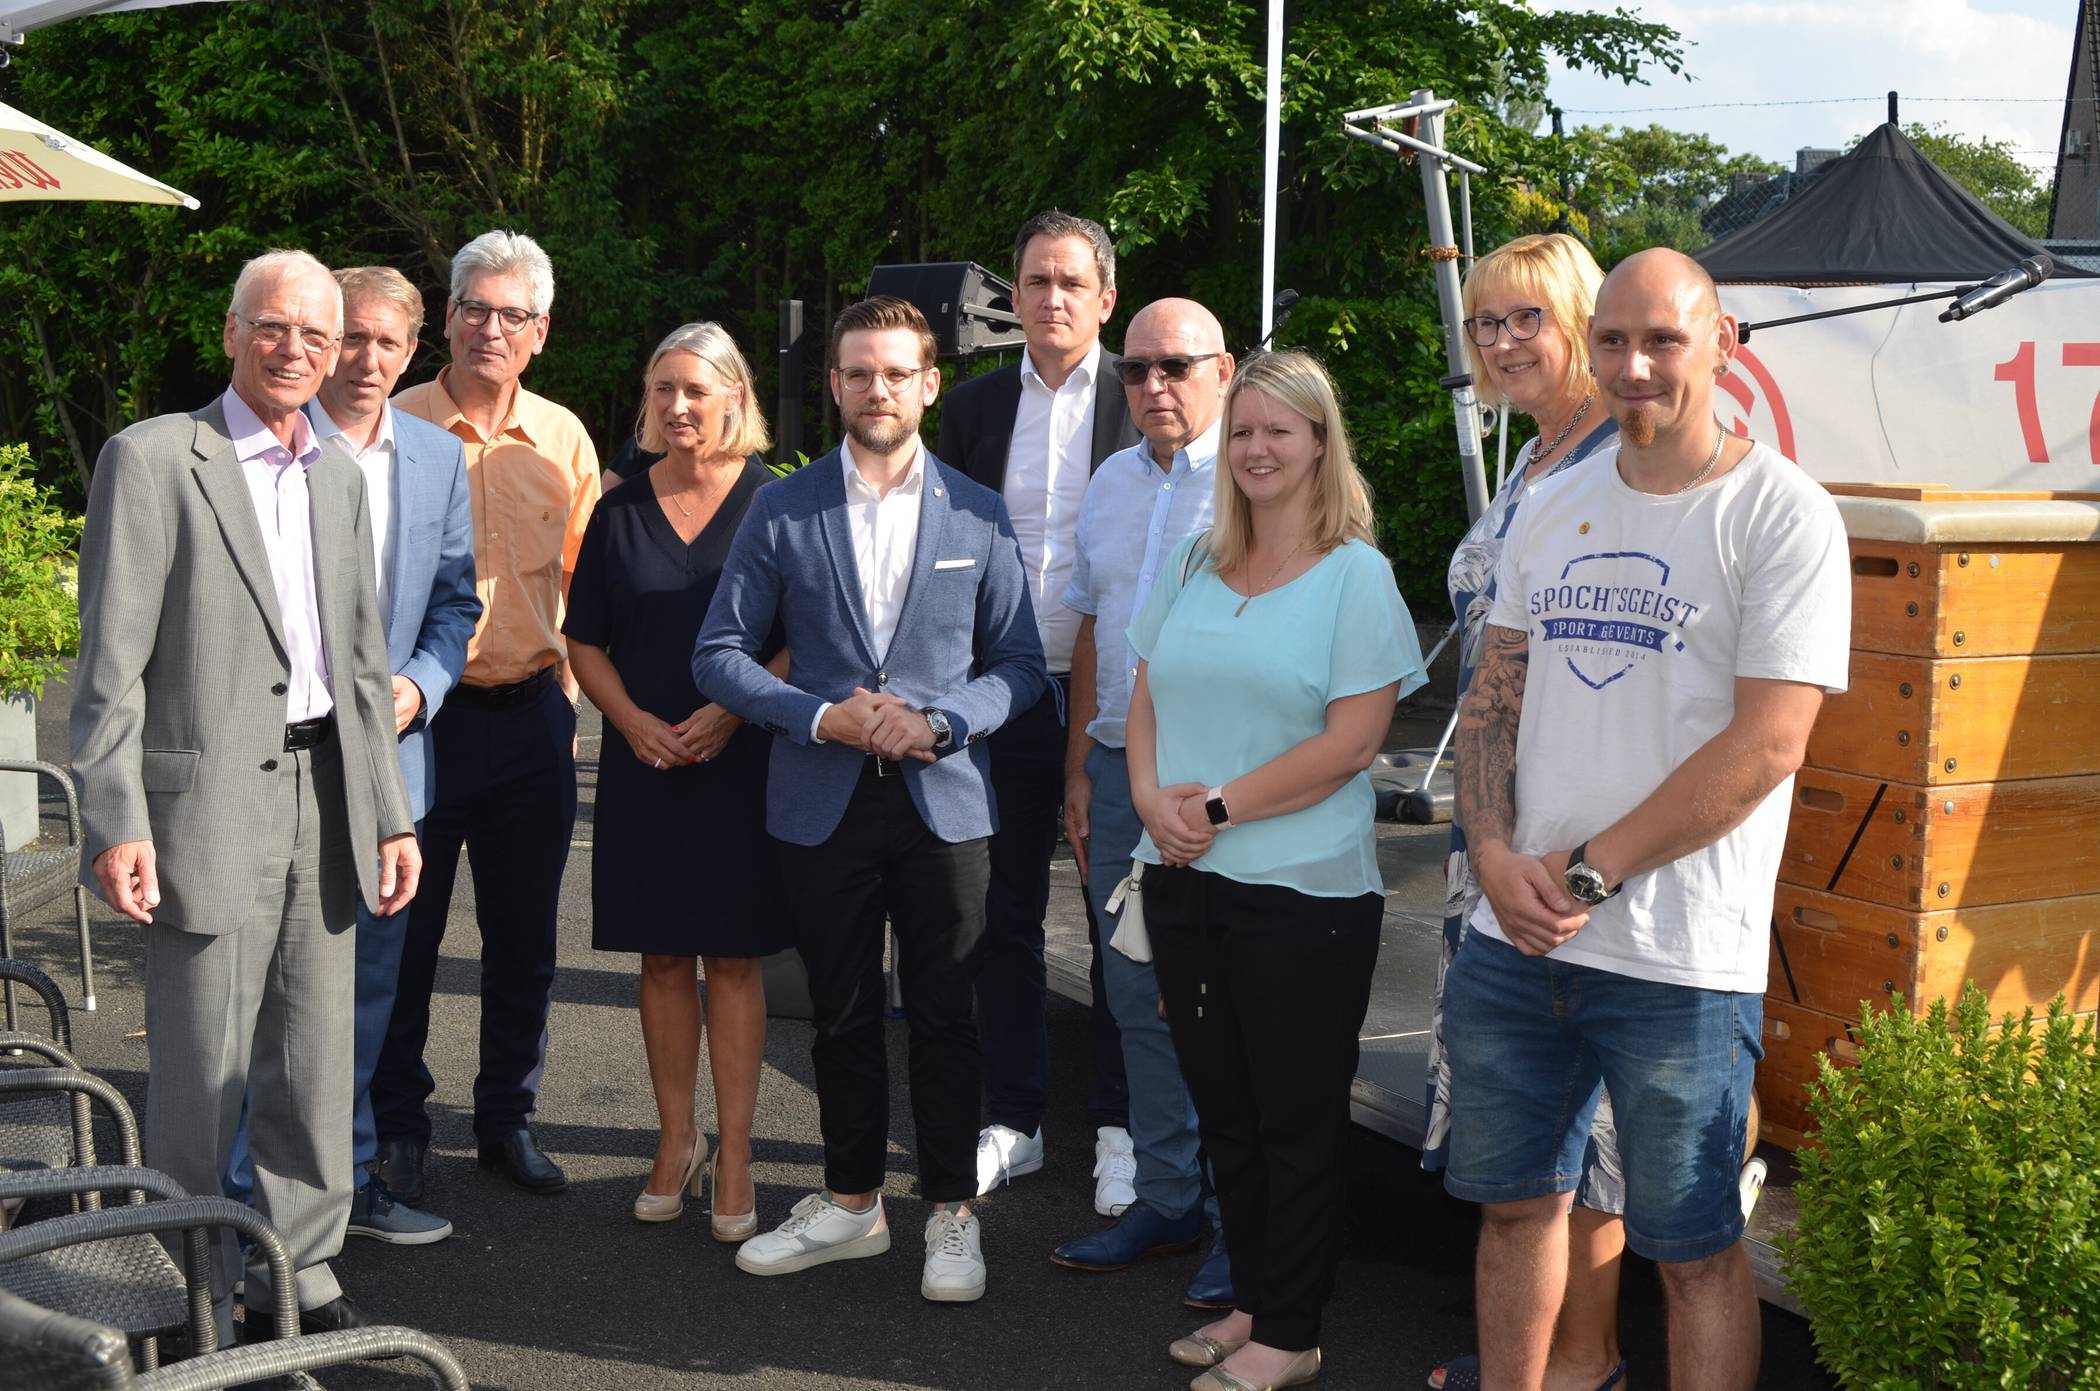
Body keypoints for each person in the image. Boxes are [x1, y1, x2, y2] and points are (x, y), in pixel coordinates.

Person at [1440, 248, 1850, 1391]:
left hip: (1679, 959)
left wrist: (1585, 874)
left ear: (1722, 344)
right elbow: (1492, 701)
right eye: (1613, 338)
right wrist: (1487, 852)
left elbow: (1770, 742)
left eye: (1662, 339)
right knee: (1516, 1213)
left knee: (1696, 1254)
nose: (1632, 365)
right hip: (1513, 939)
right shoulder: (1550, 502)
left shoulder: (1782, 514)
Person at [69, 249, 421, 1338]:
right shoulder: (156, 458)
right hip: (202, 805)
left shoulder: (340, 476)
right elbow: (109, 669)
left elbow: (364, 668)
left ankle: (299, 1265)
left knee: (315, 1058)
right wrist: (115, 819)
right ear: (231, 332)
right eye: (275, 328)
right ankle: (190, 1277)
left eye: (318, 337)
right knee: (202, 1067)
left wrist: (390, 813)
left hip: (326, 791)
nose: (297, 351)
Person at [694, 295, 1045, 1304]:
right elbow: (716, 654)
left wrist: (941, 721)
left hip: (946, 801)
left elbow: (1021, 666)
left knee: (946, 1014)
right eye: (858, 372)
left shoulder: (978, 510)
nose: (877, 388)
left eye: (896, 372)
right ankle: (851, 1201)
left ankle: (950, 1215)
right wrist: (818, 716)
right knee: (842, 1014)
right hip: (822, 797)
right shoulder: (782, 509)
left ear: (930, 385)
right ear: (836, 384)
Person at [1130, 351, 1426, 1390]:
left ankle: (1293, 1330)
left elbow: (1352, 742)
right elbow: (1145, 696)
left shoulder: (1359, 576)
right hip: (1184, 877)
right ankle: (1254, 1297)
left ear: (1318, 445)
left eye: (1280, 431)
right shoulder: (1193, 563)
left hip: (1305, 896)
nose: (1258, 448)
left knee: (1295, 1122)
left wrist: (1212, 806)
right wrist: (1148, 799)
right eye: (1244, 430)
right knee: (1229, 1113)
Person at [223, 266, 481, 1248]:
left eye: (388, 342)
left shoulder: (432, 457)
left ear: (416, 349)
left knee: (369, 989)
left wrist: (424, 681)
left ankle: (351, 1179)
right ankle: (247, 1197)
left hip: (389, 765)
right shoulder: (267, 445)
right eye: (353, 338)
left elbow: (457, 603)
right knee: (261, 992)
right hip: (264, 766)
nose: (367, 360)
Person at [1423, 233, 1625, 1391]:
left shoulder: (1611, 460)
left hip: (1569, 825)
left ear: (1579, 322)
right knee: (1538, 1103)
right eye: (1486, 323)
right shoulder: (1542, 456)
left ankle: (1587, 1356)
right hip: (1493, 826)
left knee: (1582, 1107)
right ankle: (1544, 1345)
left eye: (1526, 319)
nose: (1501, 341)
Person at [375, 230, 602, 1201]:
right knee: (406, 934)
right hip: (419, 724)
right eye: (475, 308)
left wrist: (571, 699)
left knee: (525, 938)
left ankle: (508, 1117)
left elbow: (586, 589)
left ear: (540, 331)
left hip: (530, 720)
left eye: (514, 314)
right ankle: (395, 1125)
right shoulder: (392, 427)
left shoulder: (565, 439)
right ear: (449, 313)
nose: (491, 328)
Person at [564, 323, 786, 1238]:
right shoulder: (617, 510)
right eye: (663, 390)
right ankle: (674, 1140)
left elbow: (808, 627)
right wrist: (629, 721)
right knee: (661, 957)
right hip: (645, 756)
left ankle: (736, 1152)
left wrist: (734, 707)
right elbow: (583, 638)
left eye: (696, 389)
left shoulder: (781, 504)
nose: (678, 405)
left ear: (736, 394)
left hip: (744, 757)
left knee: (733, 957)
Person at [937, 210, 1140, 1206]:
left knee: (1117, 916)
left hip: (1122, 695)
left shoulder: (1148, 402)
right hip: (1004, 691)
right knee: (1002, 910)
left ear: (1106, 297)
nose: (1051, 298)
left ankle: (1120, 1125)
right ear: (1010, 299)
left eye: (1071, 282)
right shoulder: (971, 413)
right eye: (1034, 282)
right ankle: (1013, 1116)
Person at [1049, 297, 1235, 1309]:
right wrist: (1081, 765)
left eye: (1177, 365)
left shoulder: (1261, 478)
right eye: (1137, 369)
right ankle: (1168, 1198)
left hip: (1223, 791)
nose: (1156, 385)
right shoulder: (1111, 483)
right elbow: (1091, 630)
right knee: (1134, 1001)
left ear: (1225, 369)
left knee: (1219, 1005)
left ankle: (1237, 1221)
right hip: (1120, 777)